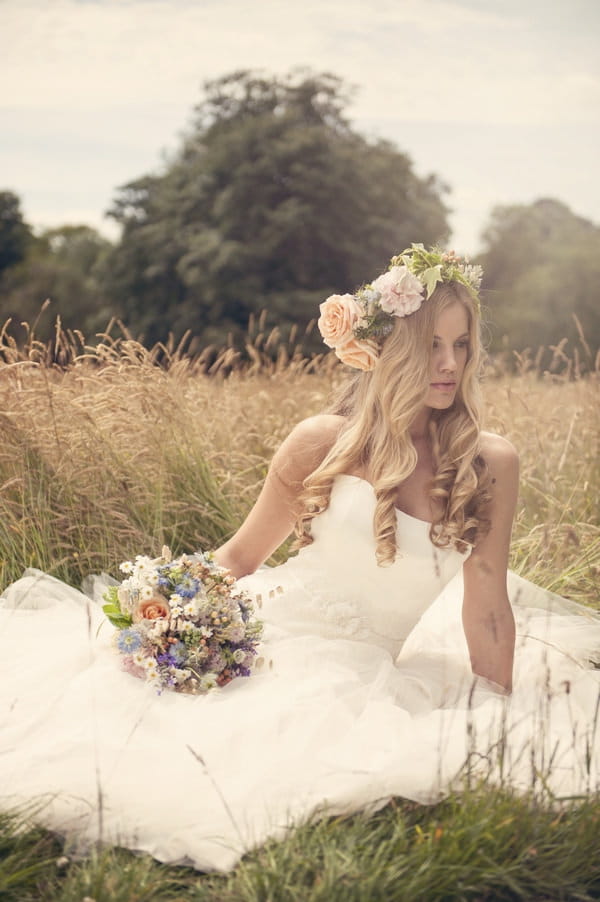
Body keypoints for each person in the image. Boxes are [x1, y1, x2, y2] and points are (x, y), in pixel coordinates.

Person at [0, 245, 599, 874]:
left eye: (462, 345)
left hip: (371, 666)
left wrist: (497, 710)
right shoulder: (322, 441)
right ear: (385, 349)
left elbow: (488, 608)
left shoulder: (489, 463)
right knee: (164, 735)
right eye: (431, 346)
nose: (450, 364)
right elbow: (241, 555)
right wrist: (166, 612)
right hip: (266, 635)